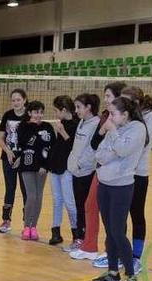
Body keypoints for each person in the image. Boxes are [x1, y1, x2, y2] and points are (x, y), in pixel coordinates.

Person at [93, 85, 152, 274]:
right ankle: (116, 254)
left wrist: (115, 145)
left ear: (133, 105)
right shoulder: (121, 122)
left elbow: (129, 148)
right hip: (114, 175)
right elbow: (105, 150)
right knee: (116, 221)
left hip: (137, 173)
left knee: (136, 214)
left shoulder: (146, 121)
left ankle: (135, 257)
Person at [91, 96, 148, 281]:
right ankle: (113, 272)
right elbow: (99, 154)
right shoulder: (115, 130)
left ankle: (131, 275)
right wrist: (113, 150)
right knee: (109, 230)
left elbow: (123, 150)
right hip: (104, 184)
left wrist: (113, 134)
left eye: (113, 114)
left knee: (117, 231)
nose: (110, 118)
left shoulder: (137, 129)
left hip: (122, 186)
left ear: (125, 114)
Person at [70, 82, 126, 261]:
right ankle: (89, 247)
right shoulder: (105, 117)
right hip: (101, 169)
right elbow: (96, 144)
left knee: (113, 214)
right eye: (105, 96)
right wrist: (104, 129)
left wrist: (110, 131)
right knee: (90, 206)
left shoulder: (126, 120)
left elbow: (120, 148)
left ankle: (114, 254)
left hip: (117, 174)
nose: (106, 100)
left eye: (109, 96)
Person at [12, 100, 56, 240]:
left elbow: (51, 146)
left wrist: (46, 165)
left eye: (41, 112)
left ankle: (34, 226)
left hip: (42, 167)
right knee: (31, 196)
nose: (39, 115)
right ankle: (26, 226)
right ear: (30, 112)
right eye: (36, 112)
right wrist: (36, 131)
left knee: (39, 197)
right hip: (27, 164)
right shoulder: (23, 126)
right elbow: (24, 142)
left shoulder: (48, 126)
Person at [66, 93, 101, 257]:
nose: (76, 110)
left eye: (79, 107)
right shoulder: (81, 122)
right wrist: (73, 163)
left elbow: (92, 150)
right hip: (76, 171)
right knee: (79, 205)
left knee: (86, 206)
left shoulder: (96, 124)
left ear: (89, 107)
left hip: (86, 171)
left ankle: (87, 240)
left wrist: (81, 164)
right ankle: (80, 238)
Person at [46, 95, 80, 246]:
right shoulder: (62, 123)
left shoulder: (77, 124)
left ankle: (76, 234)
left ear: (64, 110)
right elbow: (58, 145)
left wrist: (63, 132)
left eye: (56, 110)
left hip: (67, 168)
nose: (55, 114)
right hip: (55, 166)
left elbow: (75, 147)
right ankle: (55, 231)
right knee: (57, 200)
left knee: (69, 201)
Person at [0, 89, 29, 233]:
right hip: (8, 157)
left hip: (25, 159)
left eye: (18, 100)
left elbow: (31, 140)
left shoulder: (29, 116)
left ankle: (27, 223)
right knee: (10, 188)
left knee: (26, 190)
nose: (16, 103)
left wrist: (21, 157)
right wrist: (8, 152)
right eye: (13, 100)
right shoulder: (7, 115)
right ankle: (6, 221)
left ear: (24, 100)